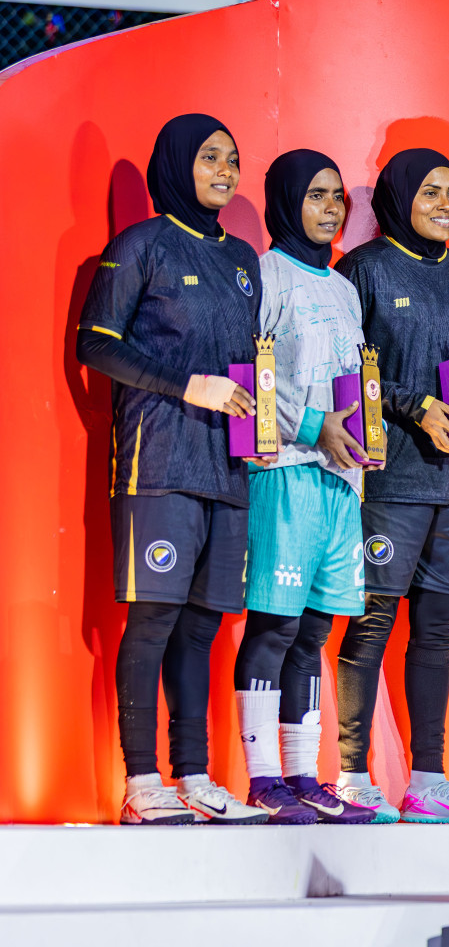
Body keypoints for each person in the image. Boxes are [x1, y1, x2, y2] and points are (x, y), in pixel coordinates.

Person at [76, 113, 268, 824]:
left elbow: (254, 364)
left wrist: (262, 425)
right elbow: (95, 345)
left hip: (230, 467)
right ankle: (142, 781)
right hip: (158, 462)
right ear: (177, 164)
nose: (224, 170)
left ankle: (193, 775)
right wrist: (188, 386)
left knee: (205, 626)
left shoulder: (245, 259)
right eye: (210, 158)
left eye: (233, 158)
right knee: (154, 620)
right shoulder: (141, 245)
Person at [332, 148, 449, 823]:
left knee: (438, 630)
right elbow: (348, 371)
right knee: (371, 625)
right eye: (431, 192)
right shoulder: (362, 270)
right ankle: (348, 776)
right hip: (387, 479)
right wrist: (415, 404)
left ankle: (427, 778)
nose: (446, 205)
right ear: (399, 197)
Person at [231, 150, 374, 824]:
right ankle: (262, 778)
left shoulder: (344, 288)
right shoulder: (267, 275)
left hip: (341, 480)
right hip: (285, 469)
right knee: (275, 625)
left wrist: (360, 440)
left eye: (338, 197)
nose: (330, 208)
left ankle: (304, 775)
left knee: (315, 629)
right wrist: (313, 425)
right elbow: (251, 373)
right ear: (286, 199)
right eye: (316, 195)